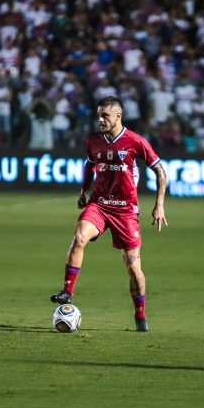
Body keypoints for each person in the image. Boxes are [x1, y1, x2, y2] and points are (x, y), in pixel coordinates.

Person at [50, 96, 168, 332]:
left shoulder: (136, 141)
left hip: (125, 211)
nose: (100, 120)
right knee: (79, 237)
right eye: (98, 115)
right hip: (100, 204)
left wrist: (159, 204)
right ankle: (67, 291)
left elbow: (160, 171)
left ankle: (140, 314)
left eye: (105, 115)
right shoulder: (93, 141)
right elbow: (89, 165)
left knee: (134, 269)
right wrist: (84, 191)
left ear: (118, 116)